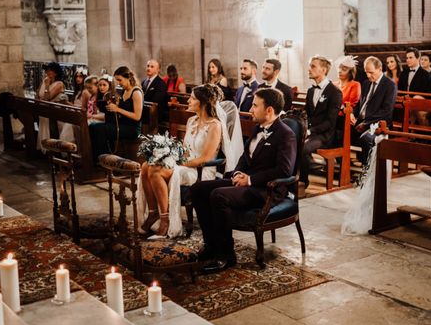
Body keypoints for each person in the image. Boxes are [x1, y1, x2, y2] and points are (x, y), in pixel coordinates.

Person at [191, 88, 296, 273]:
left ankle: (226, 255)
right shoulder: (258, 128)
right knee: (199, 189)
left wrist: (250, 180)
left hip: (266, 190)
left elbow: (284, 170)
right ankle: (211, 245)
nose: (251, 109)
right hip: (247, 182)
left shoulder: (285, 134)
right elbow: (245, 158)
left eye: (255, 105)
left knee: (218, 195)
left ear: (269, 110)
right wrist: (237, 173)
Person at [137, 85, 223, 238]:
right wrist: (167, 154)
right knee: (146, 165)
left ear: (203, 103)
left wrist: (179, 164)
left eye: (192, 98)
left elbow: (205, 158)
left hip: (201, 170)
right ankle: (153, 213)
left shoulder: (215, 125)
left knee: (156, 171)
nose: (188, 100)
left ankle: (165, 220)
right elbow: (183, 150)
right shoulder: (191, 120)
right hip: (185, 164)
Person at [300, 56, 342, 188]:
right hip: (311, 132)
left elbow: (330, 122)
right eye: (310, 66)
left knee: (303, 147)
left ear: (323, 70)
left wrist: (310, 131)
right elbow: (306, 114)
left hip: (325, 135)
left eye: (313, 66)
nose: (309, 69)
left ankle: (302, 182)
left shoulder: (335, 92)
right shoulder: (311, 90)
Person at [89, 66, 143, 161]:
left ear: (128, 78)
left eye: (120, 80)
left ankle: (105, 160)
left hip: (132, 129)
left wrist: (118, 109)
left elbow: (137, 116)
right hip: (122, 124)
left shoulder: (136, 92)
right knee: (93, 126)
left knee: (99, 129)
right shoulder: (124, 91)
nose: (118, 83)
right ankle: (99, 158)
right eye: (117, 80)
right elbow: (120, 107)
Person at [351, 56, 397, 163]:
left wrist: (366, 123)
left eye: (371, 72)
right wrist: (352, 114)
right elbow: (359, 104)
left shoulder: (390, 85)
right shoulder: (366, 83)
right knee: (339, 133)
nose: (368, 75)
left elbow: (386, 111)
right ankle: (345, 169)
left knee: (365, 139)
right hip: (361, 121)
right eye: (366, 72)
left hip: (378, 124)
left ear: (380, 69)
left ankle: (367, 171)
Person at [36, 62, 68, 151]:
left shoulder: (59, 84)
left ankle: (51, 149)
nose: (48, 72)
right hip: (44, 110)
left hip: (54, 111)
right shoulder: (44, 81)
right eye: (47, 70)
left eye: (50, 70)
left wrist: (46, 85)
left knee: (52, 129)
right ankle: (44, 146)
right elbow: (37, 95)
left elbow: (47, 98)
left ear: (56, 72)